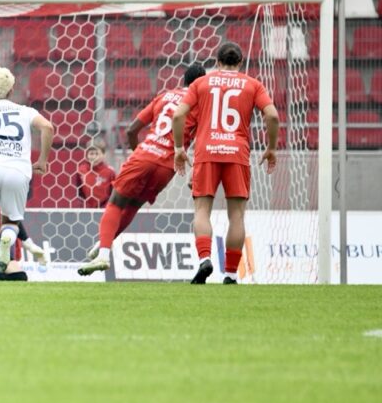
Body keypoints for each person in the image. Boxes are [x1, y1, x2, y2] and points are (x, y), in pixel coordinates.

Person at [78, 63, 206, 276]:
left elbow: (131, 130)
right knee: (134, 206)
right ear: (200, 85)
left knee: (117, 202)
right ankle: (104, 245)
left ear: (183, 80)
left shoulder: (165, 96)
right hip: (167, 165)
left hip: (145, 154)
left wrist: (138, 153)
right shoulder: (201, 106)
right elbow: (201, 141)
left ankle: (103, 252)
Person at [172, 42, 279, 285]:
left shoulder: (201, 82)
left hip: (207, 151)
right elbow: (272, 115)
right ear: (240, 62)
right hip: (237, 154)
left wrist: (179, 148)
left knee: (202, 211)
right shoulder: (253, 84)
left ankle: (204, 260)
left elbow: (178, 115)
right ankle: (230, 274)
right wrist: (271, 148)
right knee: (237, 216)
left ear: (217, 62)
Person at [0, 67, 54, 280]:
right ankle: (7, 239)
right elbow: (48, 127)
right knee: (11, 221)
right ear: (12, 90)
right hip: (18, 169)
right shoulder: (25, 111)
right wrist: (42, 160)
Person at [73, 140, 116, 209]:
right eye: (91, 154)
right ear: (86, 155)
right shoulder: (81, 170)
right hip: (87, 209)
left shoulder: (110, 172)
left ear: (103, 154)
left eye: (97, 154)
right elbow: (79, 193)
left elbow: (113, 193)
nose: (94, 157)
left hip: (104, 209)